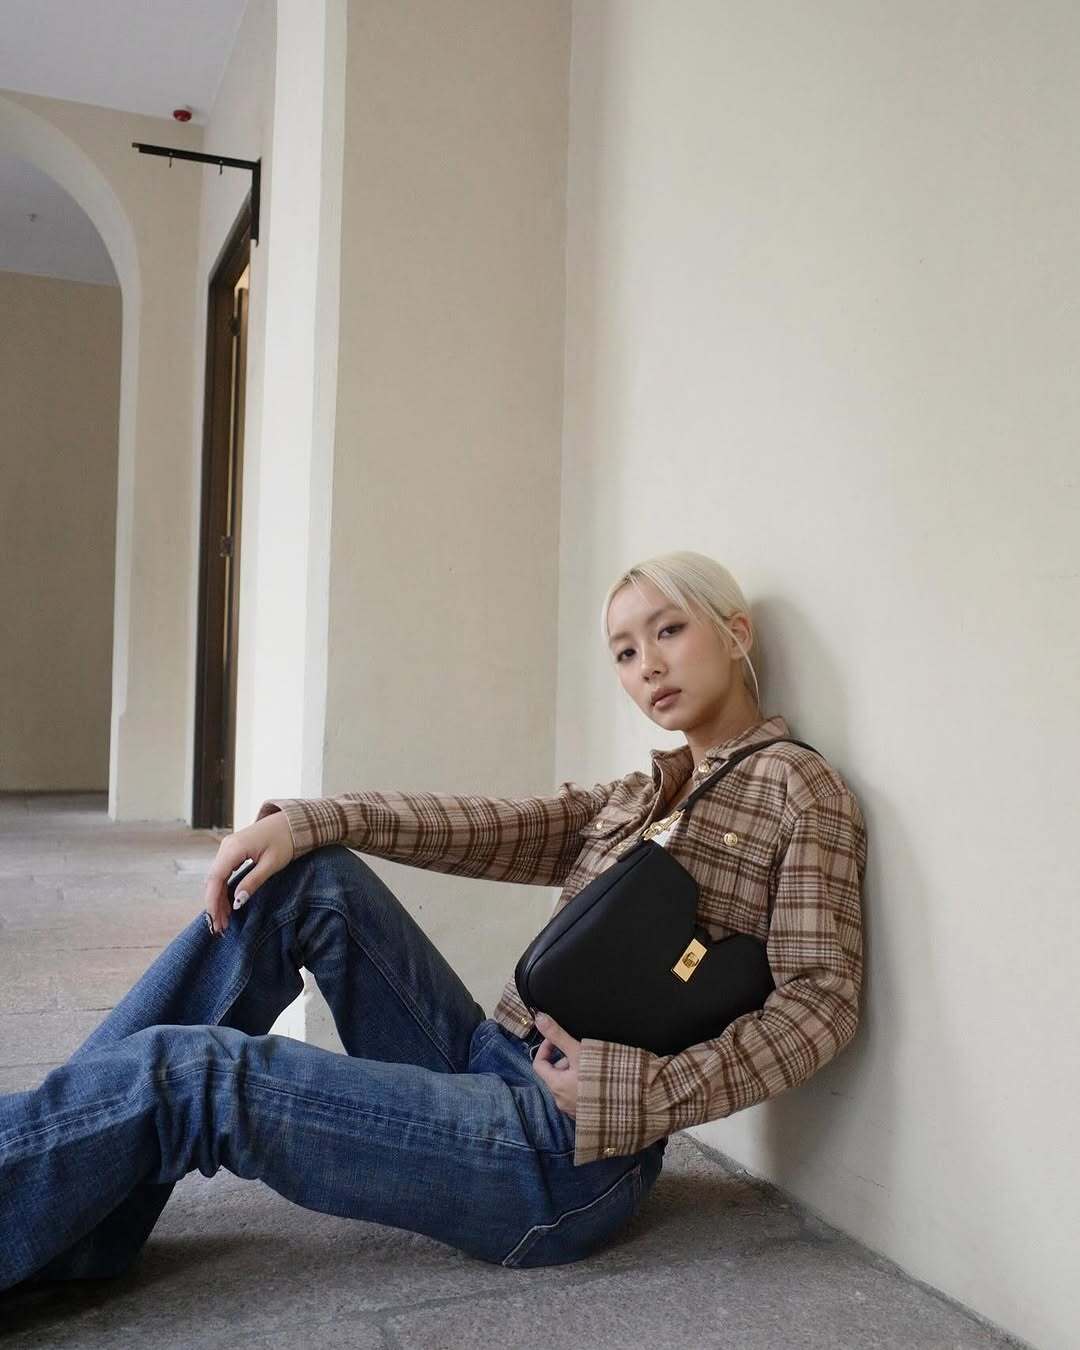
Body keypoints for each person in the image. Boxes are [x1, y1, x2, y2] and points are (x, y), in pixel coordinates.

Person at [0, 550, 867, 1288]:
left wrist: (635, 1094)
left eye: (669, 630)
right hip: (489, 1061)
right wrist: (312, 820)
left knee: (192, 1075)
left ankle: (45, 1195)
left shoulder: (800, 789)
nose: (648, 665)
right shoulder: (646, 793)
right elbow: (488, 826)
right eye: (625, 650)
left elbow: (820, 1004)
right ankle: (67, 1205)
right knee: (315, 882)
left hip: (565, 1150)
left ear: (736, 633)